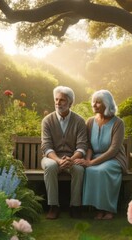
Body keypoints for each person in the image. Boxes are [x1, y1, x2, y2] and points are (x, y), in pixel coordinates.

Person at [74, 90, 127, 220]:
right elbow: (89, 146)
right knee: (91, 171)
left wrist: (91, 163)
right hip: (95, 157)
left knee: (102, 170)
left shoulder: (118, 123)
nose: (94, 104)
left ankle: (108, 209)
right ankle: (98, 209)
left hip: (114, 159)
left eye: (98, 102)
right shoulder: (90, 122)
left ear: (107, 104)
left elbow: (114, 149)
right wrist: (87, 161)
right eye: (94, 101)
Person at [41, 86, 88, 219]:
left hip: (72, 158)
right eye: (56, 99)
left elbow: (82, 146)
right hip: (51, 157)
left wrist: (71, 160)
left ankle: (75, 206)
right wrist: (58, 160)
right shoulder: (47, 121)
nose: (58, 103)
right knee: (50, 167)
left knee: (79, 170)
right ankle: (53, 206)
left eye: (62, 100)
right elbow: (46, 146)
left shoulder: (79, 121)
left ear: (70, 103)